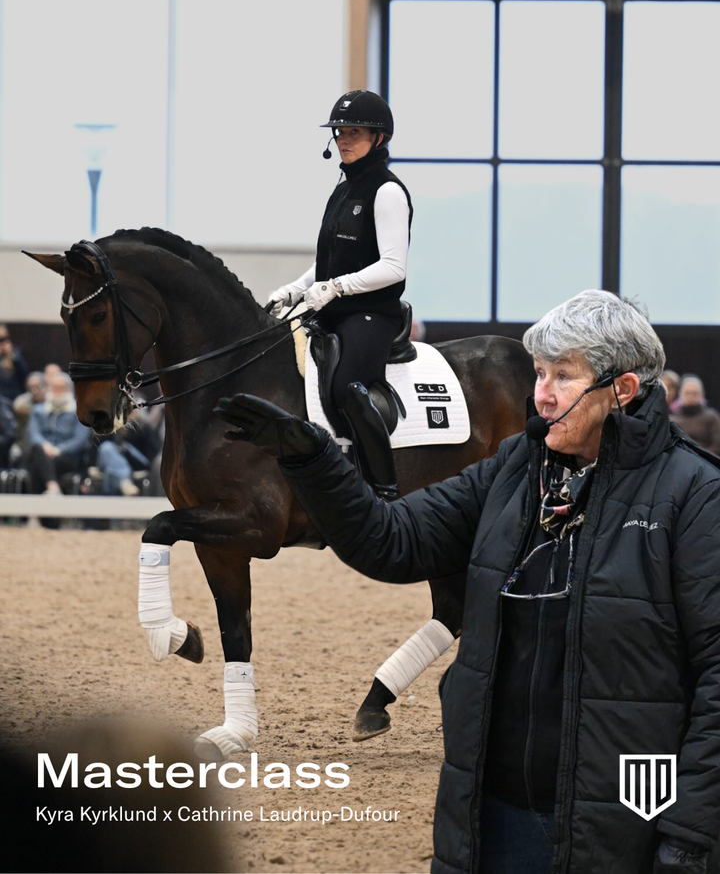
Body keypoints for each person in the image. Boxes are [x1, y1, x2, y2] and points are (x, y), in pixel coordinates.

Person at [214, 289, 720, 874]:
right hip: (489, 813)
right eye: (539, 373)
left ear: (623, 390)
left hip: (620, 821)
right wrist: (315, 461)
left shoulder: (696, 494)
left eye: (563, 376)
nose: (542, 393)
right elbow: (392, 540)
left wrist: (689, 837)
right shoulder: (514, 469)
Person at [266, 89, 412, 500]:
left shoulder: (387, 192)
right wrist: (297, 288)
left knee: (347, 385)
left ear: (378, 138)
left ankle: (384, 488)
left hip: (371, 313)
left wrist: (336, 287)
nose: (344, 140)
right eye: (340, 132)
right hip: (330, 309)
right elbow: (332, 260)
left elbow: (393, 267)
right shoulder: (342, 189)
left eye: (354, 133)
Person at [26, 370, 91, 494]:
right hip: (43, 451)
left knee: (37, 464)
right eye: (54, 388)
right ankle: (53, 487)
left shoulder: (80, 412)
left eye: (61, 388)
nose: (57, 392)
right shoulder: (38, 411)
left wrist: (58, 450)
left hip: (67, 456)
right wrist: (46, 447)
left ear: (69, 390)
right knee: (37, 449)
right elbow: (34, 434)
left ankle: (41, 499)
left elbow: (80, 440)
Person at [669, 375, 720, 456]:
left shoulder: (712, 418)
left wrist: (703, 456)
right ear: (680, 394)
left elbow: (717, 444)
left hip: (708, 459)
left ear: (702, 395)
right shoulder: (672, 420)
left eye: (694, 393)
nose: (690, 397)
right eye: (687, 393)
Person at [0, 323, 30, 402]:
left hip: (15, 396)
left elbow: (25, 376)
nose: (2, 343)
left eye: (5, 339)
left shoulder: (17, 353)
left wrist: (12, 357)